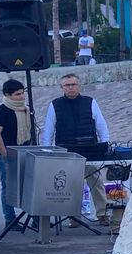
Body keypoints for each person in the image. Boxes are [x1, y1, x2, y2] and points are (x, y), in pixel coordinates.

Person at [40, 73, 112, 224]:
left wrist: (105, 145)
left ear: (79, 86)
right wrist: (46, 152)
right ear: (62, 88)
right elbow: (48, 130)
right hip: (67, 151)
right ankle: (73, 216)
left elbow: (101, 125)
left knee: (96, 182)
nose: (71, 87)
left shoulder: (90, 102)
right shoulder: (54, 105)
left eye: (73, 84)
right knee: (71, 185)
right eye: (67, 85)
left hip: (90, 149)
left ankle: (102, 214)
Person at [0, 79, 31, 226]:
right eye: (17, 94)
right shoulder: (2, 111)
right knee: (8, 186)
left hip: (25, 151)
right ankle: (10, 219)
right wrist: (4, 153)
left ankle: (34, 217)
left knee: (29, 184)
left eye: (22, 93)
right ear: (7, 95)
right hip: (7, 153)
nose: (21, 97)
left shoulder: (25, 109)